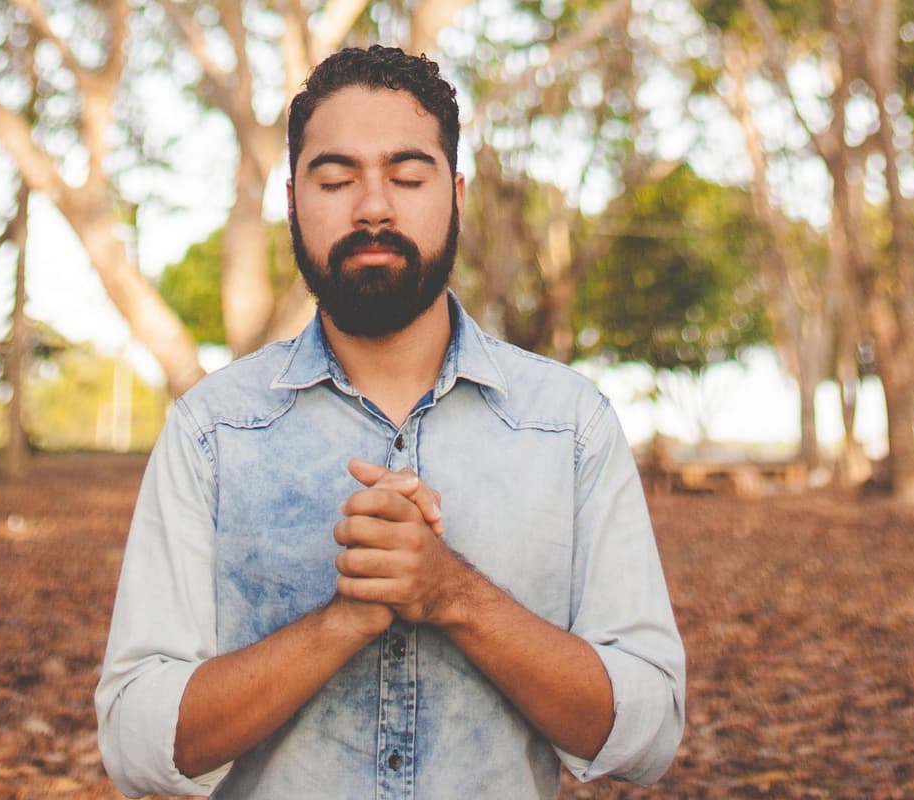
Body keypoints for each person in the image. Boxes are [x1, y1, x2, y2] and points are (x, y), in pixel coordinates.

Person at [95, 45, 685, 798]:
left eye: (407, 177)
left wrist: (452, 594)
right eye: (336, 179)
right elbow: (138, 746)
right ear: (292, 202)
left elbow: (646, 736)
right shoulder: (211, 431)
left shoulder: (570, 427)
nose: (373, 207)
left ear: (457, 195)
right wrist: (342, 622)